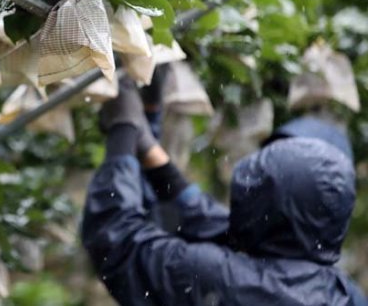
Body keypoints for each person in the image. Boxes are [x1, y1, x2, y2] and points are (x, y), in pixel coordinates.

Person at [81, 75, 368, 306]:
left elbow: (116, 240)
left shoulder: (221, 279)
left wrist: (123, 130)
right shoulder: (341, 292)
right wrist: (149, 144)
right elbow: (220, 227)